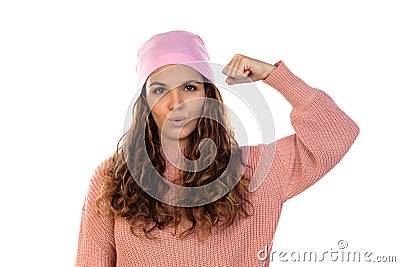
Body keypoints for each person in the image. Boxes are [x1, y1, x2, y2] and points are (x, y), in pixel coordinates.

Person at [74, 30, 359, 267]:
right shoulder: (114, 176)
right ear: (145, 102)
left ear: (208, 95)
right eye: (160, 90)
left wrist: (274, 75)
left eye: (189, 88)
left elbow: (338, 131)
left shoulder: (255, 168)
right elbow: (91, 261)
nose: (177, 103)